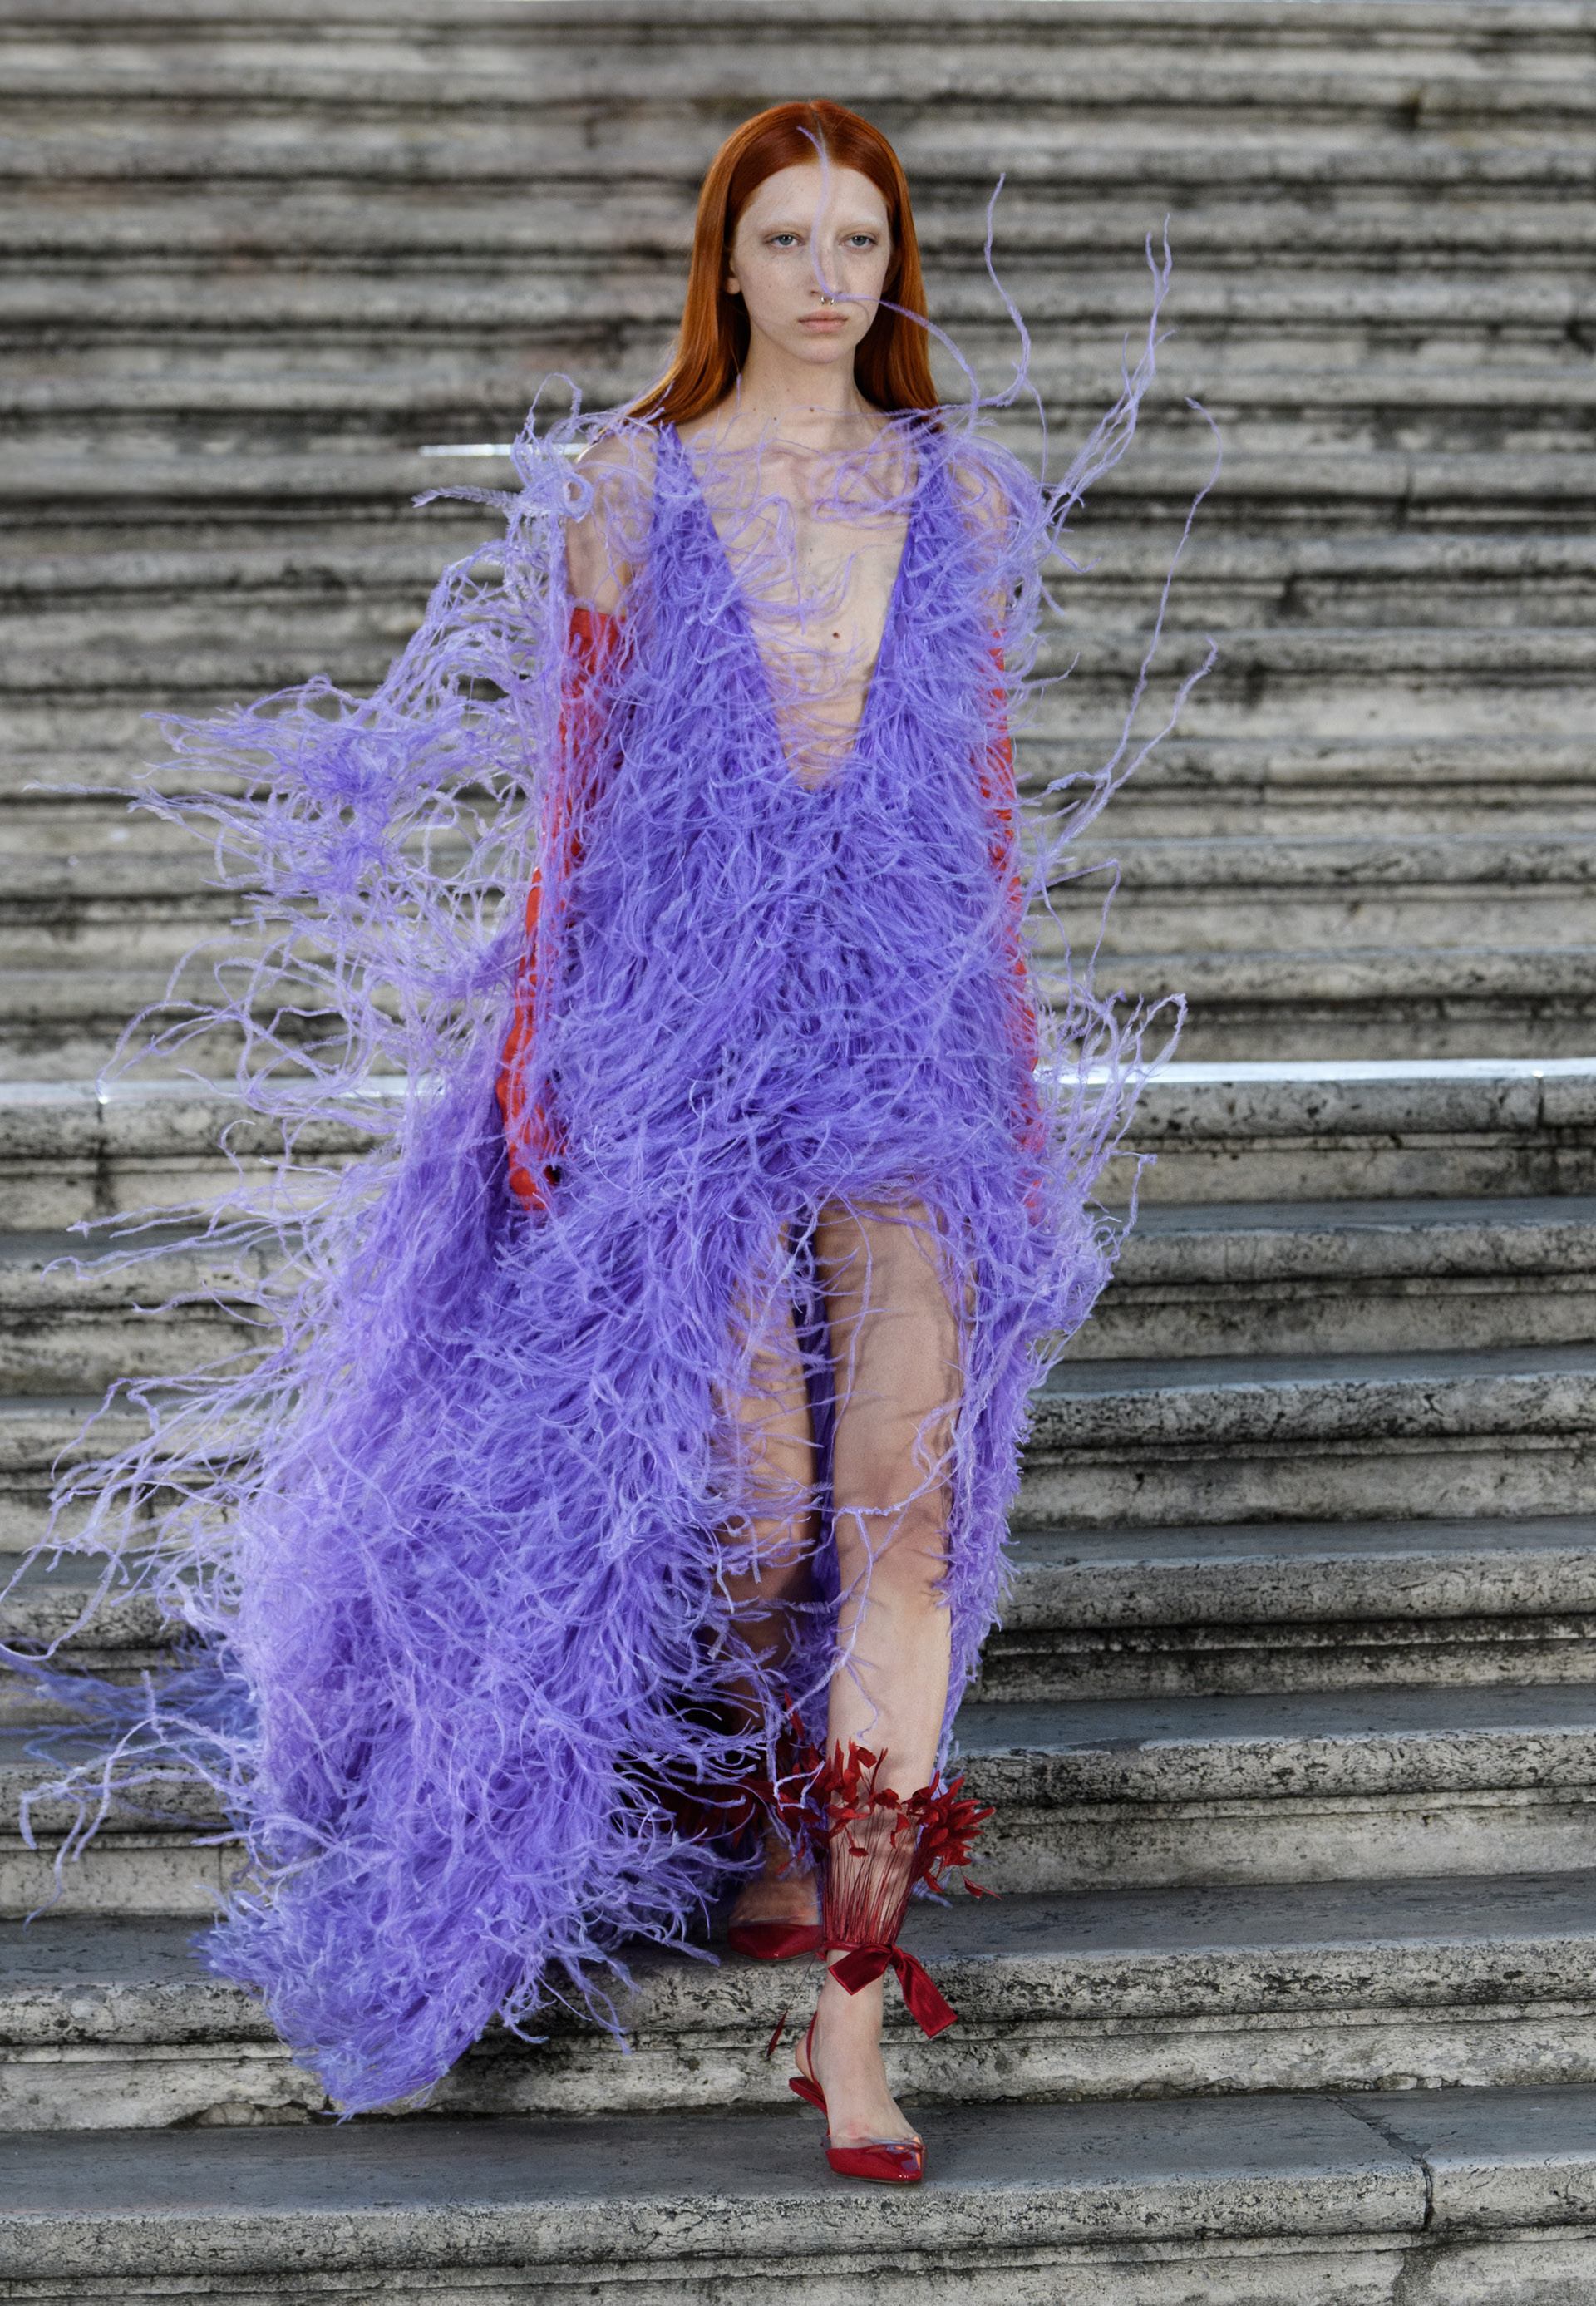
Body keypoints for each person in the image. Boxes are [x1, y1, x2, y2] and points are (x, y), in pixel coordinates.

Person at [12, 100, 1211, 2179]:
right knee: (761, 1523)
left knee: (908, 1515)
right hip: (683, 1059)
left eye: (860, 240)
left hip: (908, 1054)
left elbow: (982, 811)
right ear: (725, 261)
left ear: (896, 265)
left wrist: (1012, 1098)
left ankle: (854, 2008)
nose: (829, 277)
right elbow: (573, 804)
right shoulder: (629, 488)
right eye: (791, 239)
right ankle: (743, 1785)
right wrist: (533, 1072)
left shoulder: (961, 493)